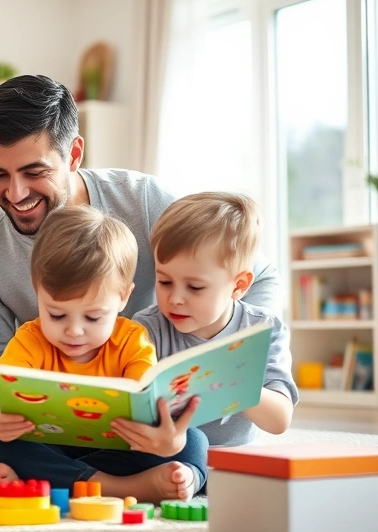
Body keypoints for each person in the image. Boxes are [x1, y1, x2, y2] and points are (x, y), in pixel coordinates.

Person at [0, 74, 281, 368]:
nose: (16, 194)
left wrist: (230, 365)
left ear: (74, 154)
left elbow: (261, 274)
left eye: (35, 172)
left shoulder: (144, 201)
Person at [0, 206, 208, 502]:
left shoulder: (132, 339)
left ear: (123, 297)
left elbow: (147, 402)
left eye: (92, 318)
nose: (74, 331)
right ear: (37, 291)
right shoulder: (31, 338)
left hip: (116, 449)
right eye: (57, 315)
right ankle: (115, 488)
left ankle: (43, 480)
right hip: (48, 444)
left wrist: (165, 439)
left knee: (193, 440)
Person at [114, 192, 297, 450]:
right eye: (164, 282)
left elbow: (279, 420)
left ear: (239, 285)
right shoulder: (148, 327)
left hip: (234, 457)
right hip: (163, 453)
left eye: (195, 287)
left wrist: (232, 381)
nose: (175, 298)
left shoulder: (263, 330)